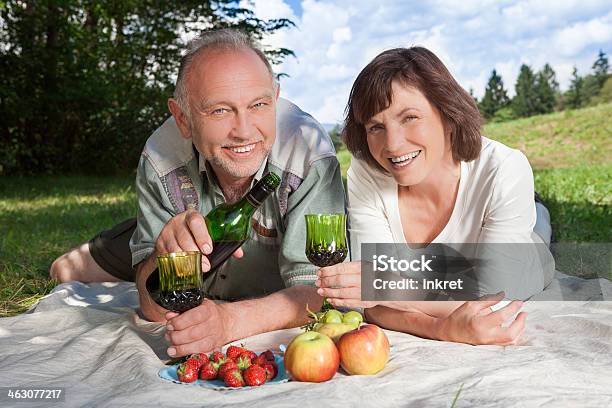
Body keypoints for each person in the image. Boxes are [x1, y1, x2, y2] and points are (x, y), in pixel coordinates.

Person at [51, 29, 346, 356]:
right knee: (64, 271)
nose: (244, 131)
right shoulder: (160, 158)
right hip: (173, 236)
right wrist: (163, 255)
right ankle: (137, 237)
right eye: (220, 110)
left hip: (246, 254)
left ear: (275, 98)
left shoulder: (310, 153)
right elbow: (155, 309)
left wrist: (229, 321)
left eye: (259, 105)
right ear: (183, 117)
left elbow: (320, 290)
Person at [316, 47, 555, 345]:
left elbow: (493, 302)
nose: (392, 145)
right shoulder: (366, 172)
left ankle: (539, 213)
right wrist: (440, 329)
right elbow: (375, 307)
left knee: (539, 236)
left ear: (448, 116)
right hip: (455, 270)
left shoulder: (505, 168)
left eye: (410, 118)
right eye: (376, 127)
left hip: (530, 259)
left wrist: (389, 287)